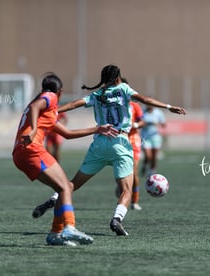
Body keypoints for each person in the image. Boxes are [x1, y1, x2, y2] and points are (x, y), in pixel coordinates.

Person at [34, 65, 186, 236]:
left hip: (99, 143)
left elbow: (74, 104)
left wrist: (50, 110)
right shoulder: (123, 88)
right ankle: (117, 219)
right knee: (126, 190)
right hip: (120, 143)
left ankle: (54, 198)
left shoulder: (96, 95)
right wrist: (168, 106)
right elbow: (143, 99)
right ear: (117, 78)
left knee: (72, 184)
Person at [12, 73, 117, 246]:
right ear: (60, 92)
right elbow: (35, 106)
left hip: (22, 153)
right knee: (64, 187)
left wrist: (97, 129)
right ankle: (69, 227)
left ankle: (55, 233)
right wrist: (32, 131)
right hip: (31, 149)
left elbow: (67, 134)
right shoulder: (50, 97)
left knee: (65, 187)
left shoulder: (48, 113)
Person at [140, 105, 166, 177]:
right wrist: (148, 123)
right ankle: (145, 165)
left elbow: (164, 124)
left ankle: (152, 171)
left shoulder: (158, 113)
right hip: (145, 137)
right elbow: (139, 123)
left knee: (154, 156)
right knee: (148, 156)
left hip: (155, 137)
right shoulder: (142, 112)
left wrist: (159, 123)